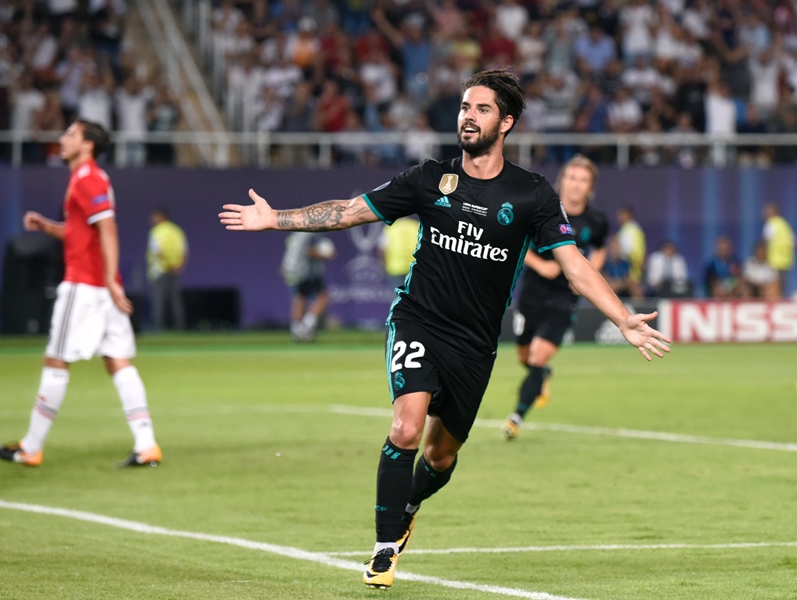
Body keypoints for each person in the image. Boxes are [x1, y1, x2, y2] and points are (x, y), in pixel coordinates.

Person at [219, 69, 671, 590]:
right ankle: (384, 549)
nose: (468, 116)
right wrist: (275, 218)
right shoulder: (429, 178)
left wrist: (622, 317)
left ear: (507, 122)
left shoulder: (532, 195)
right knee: (406, 428)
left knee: (439, 455)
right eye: (463, 107)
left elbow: (574, 265)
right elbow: (347, 212)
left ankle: (410, 506)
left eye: (481, 109)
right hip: (418, 319)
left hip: (475, 344)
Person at [0, 119, 162, 468]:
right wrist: (49, 227)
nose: (62, 139)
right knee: (118, 361)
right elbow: (83, 232)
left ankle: (31, 447)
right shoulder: (89, 179)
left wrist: (112, 280)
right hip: (102, 287)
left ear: (87, 145)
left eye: (70, 134)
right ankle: (147, 445)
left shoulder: (87, 179)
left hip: (85, 287)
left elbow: (107, 227)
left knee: (56, 360)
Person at [501, 154, 608, 440]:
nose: (575, 185)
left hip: (564, 299)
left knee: (536, 357)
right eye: (571, 178)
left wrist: (588, 273)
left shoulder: (596, 221)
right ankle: (542, 375)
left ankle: (516, 417)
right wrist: (541, 265)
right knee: (525, 357)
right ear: (561, 182)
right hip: (533, 295)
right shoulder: (540, 211)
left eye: (582, 180)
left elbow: (599, 248)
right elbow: (518, 244)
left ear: (590, 188)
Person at [280, 231, 335, 341]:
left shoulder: (297, 233)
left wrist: (286, 266)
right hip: (305, 270)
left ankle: (296, 330)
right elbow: (308, 250)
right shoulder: (310, 233)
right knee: (323, 297)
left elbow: (292, 248)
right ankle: (306, 327)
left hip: (292, 270)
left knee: (299, 298)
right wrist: (324, 254)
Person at [146, 207, 188, 331]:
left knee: (158, 300)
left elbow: (157, 252)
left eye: (154, 216)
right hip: (175, 270)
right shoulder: (177, 231)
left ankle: (158, 329)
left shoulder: (157, 231)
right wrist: (178, 266)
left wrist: (168, 265)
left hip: (160, 271)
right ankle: (180, 328)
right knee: (175, 300)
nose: (152, 219)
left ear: (161, 217)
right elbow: (185, 251)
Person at [762, 202, 795, 296]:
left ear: (774, 212)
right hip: (786, 260)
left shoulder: (771, 223)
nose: (764, 214)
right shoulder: (785, 225)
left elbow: (766, 240)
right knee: (782, 285)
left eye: (767, 211)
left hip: (774, 260)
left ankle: (774, 304)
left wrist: (764, 257)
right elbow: (792, 242)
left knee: (773, 285)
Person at [378, 215, 420, 289]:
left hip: (396, 269)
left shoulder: (391, 227)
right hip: (415, 268)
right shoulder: (416, 226)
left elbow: (382, 248)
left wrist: (383, 265)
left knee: (397, 297)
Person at [616, 205, 646, 288]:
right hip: (631, 264)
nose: (619, 217)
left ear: (628, 215)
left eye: (621, 214)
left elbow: (629, 250)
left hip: (630, 265)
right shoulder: (633, 228)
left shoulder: (630, 229)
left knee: (633, 286)